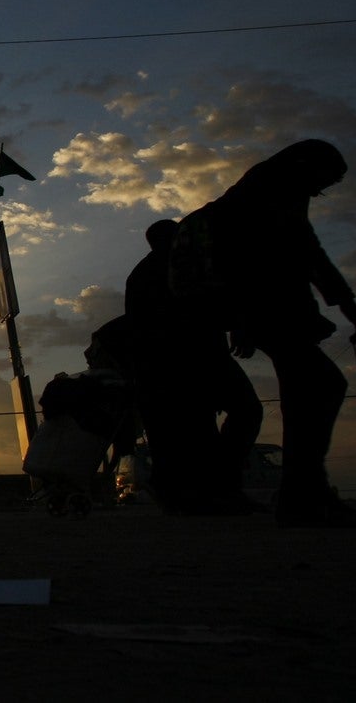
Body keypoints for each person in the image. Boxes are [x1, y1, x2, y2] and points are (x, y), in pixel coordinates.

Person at [178, 139, 356, 527]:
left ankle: (302, 492)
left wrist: (349, 309)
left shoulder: (273, 191)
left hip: (264, 306)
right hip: (263, 305)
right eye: (323, 180)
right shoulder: (267, 194)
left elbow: (304, 252)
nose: (320, 191)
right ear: (305, 165)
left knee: (312, 387)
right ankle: (303, 494)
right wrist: (242, 321)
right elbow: (272, 258)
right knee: (318, 385)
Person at [125, 219, 262, 514]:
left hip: (171, 363)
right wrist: (237, 325)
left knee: (193, 429)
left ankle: (201, 489)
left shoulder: (141, 274)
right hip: (194, 357)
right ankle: (218, 487)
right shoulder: (175, 266)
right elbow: (202, 306)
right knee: (242, 410)